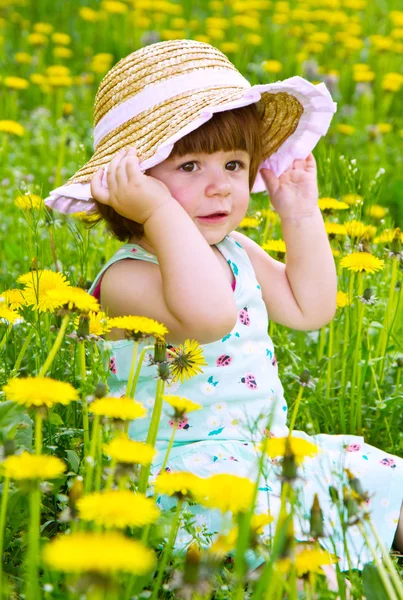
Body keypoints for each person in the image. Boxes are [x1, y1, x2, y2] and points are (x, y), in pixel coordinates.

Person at [45, 39, 403, 578]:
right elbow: (210, 318)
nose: (220, 187)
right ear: (132, 188)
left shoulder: (233, 251)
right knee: (278, 536)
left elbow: (310, 309)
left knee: (375, 476)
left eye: (235, 164)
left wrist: (301, 216)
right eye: (189, 165)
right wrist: (161, 212)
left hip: (267, 452)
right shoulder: (126, 278)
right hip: (184, 477)